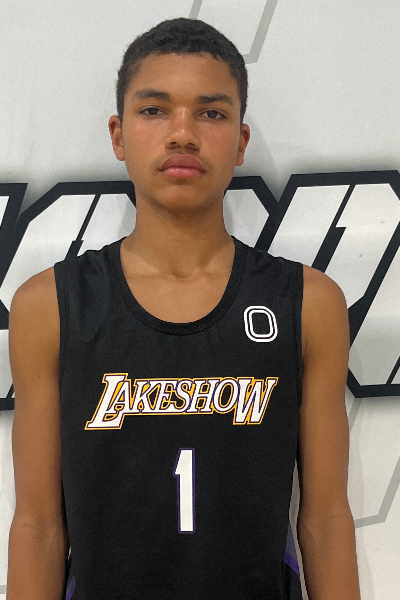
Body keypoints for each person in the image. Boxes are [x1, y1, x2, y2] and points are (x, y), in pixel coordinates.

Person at [6, 17, 360, 600]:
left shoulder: (308, 302)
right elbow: (39, 525)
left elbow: (325, 519)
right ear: (118, 135)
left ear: (240, 141)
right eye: (154, 110)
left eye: (211, 113)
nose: (182, 134)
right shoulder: (50, 305)